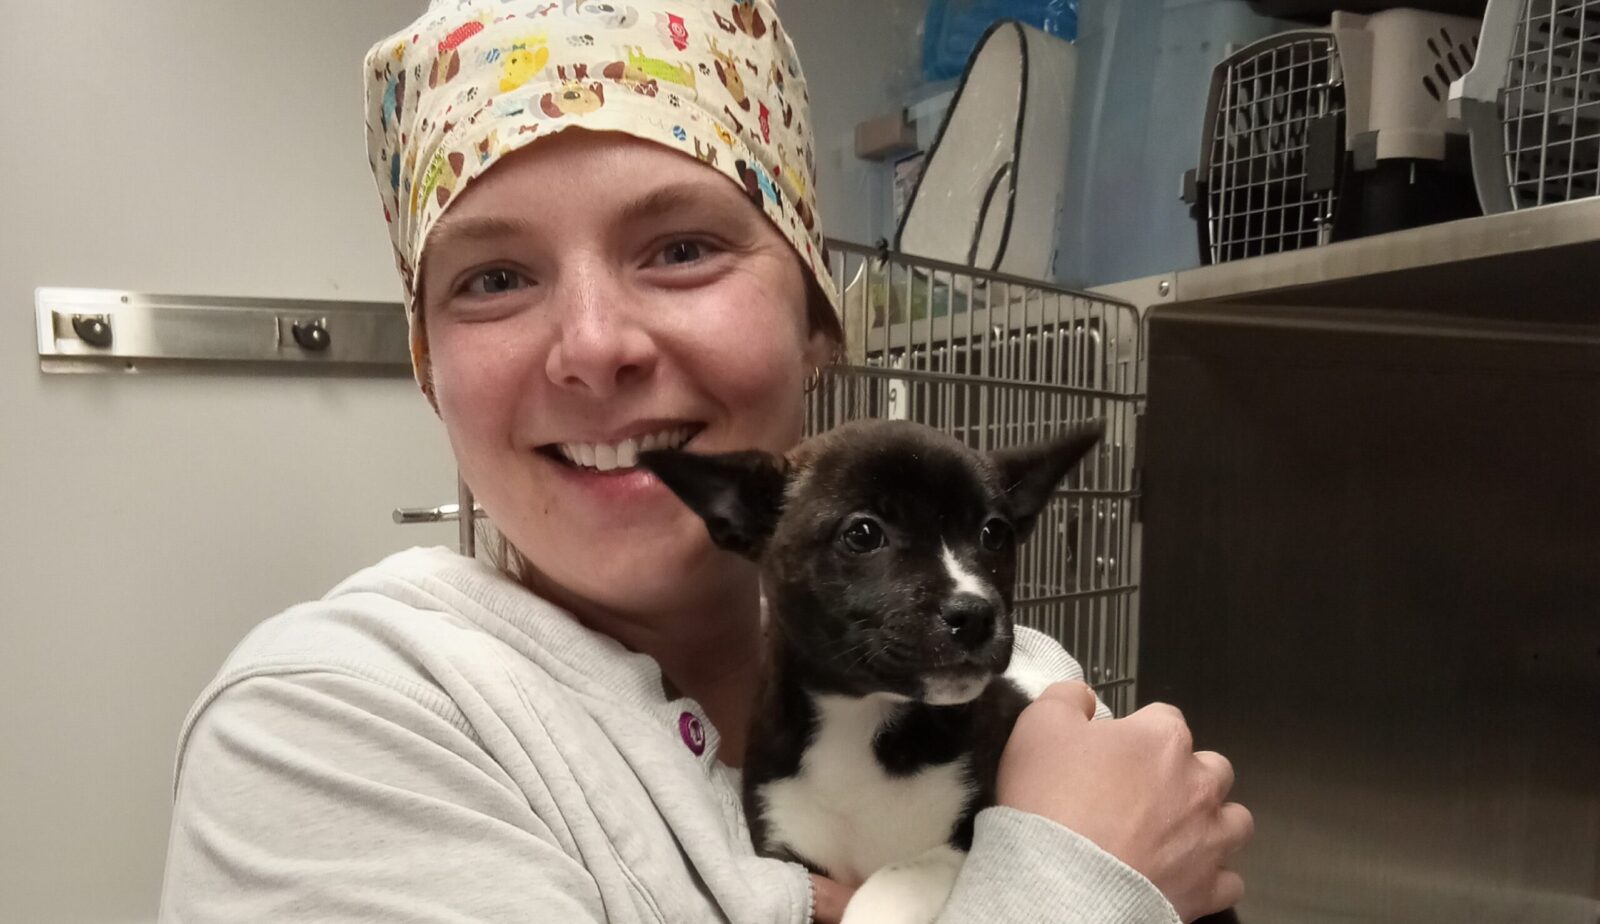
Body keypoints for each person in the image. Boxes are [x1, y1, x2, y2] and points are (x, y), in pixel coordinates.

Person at [159, 1, 1252, 921]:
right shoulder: (330, 726)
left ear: (819, 324)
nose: (594, 347)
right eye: (492, 278)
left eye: (681, 249)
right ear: (430, 368)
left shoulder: (1023, 683)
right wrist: (1078, 877)